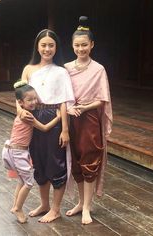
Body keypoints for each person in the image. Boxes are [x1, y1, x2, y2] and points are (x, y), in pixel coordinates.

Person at [17, 29, 75, 223]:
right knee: (39, 162)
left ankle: (56, 208)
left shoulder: (61, 72)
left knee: (55, 162)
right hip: (33, 117)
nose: (47, 49)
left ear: (56, 47)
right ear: (37, 46)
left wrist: (65, 130)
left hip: (54, 116)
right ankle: (44, 204)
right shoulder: (28, 69)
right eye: (43, 45)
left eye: (51, 45)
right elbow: (19, 95)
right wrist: (19, 110)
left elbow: (64, 102)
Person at [64, 16, 113, 225]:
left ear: (92, 45)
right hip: (71, 118)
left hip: (90, 119)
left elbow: (103, 99)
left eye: (85, 45)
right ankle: (80, 203)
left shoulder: (98, 69)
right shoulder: (65, 68)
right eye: (77, 45)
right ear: (72, 45)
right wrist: (70, 107)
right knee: (75, 160)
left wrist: (85, 106)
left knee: (90, 161)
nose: (81, 48)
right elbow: (63, 96)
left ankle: (87, 207)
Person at [2, 81, 61, 224]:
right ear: (21, 102)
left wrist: (36, 101)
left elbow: (27, 100)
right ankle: (18, 208)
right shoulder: (27, 116)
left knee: (21, 180)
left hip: (10, 149)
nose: (34, 102)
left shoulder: (22, 111)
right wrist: (58, 118)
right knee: (28, 183)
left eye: (35, 98)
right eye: (29, 100)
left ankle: (15, 206)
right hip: (18, 152)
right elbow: (45, 128)